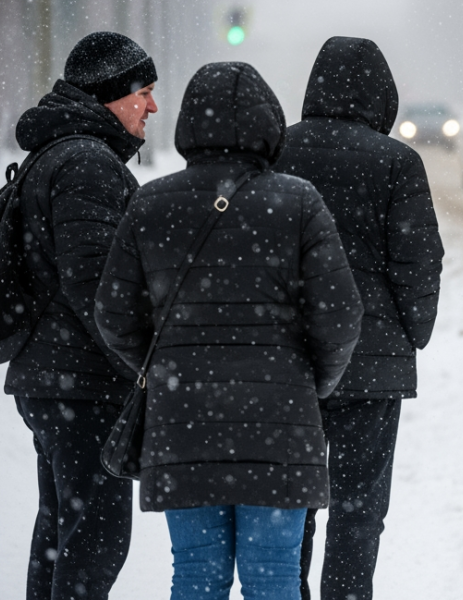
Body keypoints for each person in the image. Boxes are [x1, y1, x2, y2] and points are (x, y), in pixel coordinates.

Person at [94, 61, 364, 599]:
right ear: (269, 123)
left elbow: (113, 312)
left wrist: (166, 358)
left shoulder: (151, 203)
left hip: (183, 422)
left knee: (196, 576)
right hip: (281, 426)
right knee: (273, 579)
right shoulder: (299, 201)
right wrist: (314, 381)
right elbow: (339, 315)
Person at [272, 36, 443, 600]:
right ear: (382, 94)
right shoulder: (396, 161)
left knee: (292, 500)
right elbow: (418, 260)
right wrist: (414, 331)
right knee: (359, 507)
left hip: (291, 359)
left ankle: (285, 591)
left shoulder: (278, 150)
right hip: (373, 365)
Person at [8, 30, 157, 600]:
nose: (151, 105)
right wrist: (141, 363)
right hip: (81, 385)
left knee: (61, 530)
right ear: (108, 96)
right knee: (96, 538)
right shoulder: (88, 163)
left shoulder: (64, 152)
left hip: (56, 377)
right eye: (142, 91)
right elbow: (96, 286)